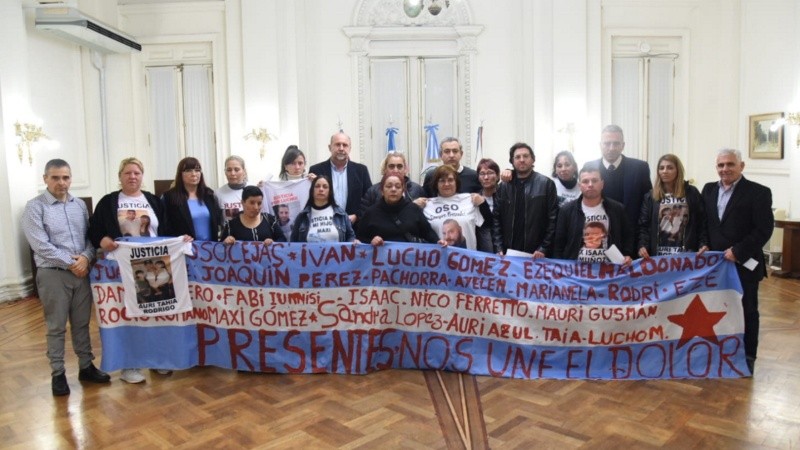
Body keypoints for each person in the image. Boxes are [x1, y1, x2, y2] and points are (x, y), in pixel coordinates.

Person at [23, 159, 110, 396]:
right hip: (54, 274)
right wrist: (73, 263)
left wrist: (85, 257)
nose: (61, 182)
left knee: (82, 323)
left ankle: (86, 366)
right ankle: (58, 373)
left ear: (71, 179)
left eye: (65, 177)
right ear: (45, 179)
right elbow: (41, 245)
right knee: (56, 326)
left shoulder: (79, 205)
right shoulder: (35, 207)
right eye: (55, 178)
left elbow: (89, 238)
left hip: (81, 272)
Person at [88, 157, 168, 384]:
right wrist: (102, 239)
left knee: (154, 314)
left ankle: (155, 359)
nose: (132, 177)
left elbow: (165, 228)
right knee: (128, 315)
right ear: (120, 176)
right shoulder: (109, 201)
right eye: (127, 173)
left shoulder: (152, 200)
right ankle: (130, 366)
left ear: (142, 176)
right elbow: (94, 230)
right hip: (120, 267)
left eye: (137, 173)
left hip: (152, 264)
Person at [701, 148, 773, 374]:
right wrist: (704, 243)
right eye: (721, 165)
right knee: (715, 309)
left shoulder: (759, 192)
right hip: (715, 267)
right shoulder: (708, 190)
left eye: (730, 164)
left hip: (744, 265)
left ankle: (748, 355)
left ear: (741, 166)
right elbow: (705, 223)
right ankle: (719, 352)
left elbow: (764, 230)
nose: (725, 169)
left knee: (747, 310)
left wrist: (739, 251)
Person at [553, 162, 634, 265]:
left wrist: (627, 255)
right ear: (580, 186)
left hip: (610, 272)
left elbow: (628, 237)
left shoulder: (617, 209)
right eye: (585, 181)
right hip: (576, 274)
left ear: (602, 184)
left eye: (594, 181)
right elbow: (559, 245)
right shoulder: (566, 211)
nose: (590, 185)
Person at [492, 143, 558, 258]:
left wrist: (544, 248)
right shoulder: (503, 187)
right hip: (509, 253)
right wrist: (498, 248)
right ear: (512, 161)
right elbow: (496, 220)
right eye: (517, 157)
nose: (522, 160)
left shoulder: (546, 184)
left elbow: (553, 220)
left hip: (537, 254)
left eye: (526, 156)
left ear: (533, 159)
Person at [638, 154, 709, 258]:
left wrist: (703, 243)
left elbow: (702, 222)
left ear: (678, 171)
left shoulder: (691, 193)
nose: (665, 171)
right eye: (661, 168)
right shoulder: (651, 196)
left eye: (670, 168)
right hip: (658, 257)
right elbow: (643, 226)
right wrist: (642, 246)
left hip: (686, 255)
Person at [593, 125, 651, 241]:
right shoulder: (589, 167)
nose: (611, 148)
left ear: (623, 145)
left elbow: (648, 205)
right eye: (607, 143)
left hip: (631, 237)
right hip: (598, 236)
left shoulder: (640, 168)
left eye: (616, 143)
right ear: (600, 145)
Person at [358, 174, 443, 246]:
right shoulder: (371, 213)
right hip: (380, 264)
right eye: (389, 186)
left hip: (410, 262)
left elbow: (428, 233)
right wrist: (371, 242)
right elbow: (360, 239)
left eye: (398, 186)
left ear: (403, 190)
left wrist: (438, 242)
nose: (393, 189)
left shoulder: (414, 209)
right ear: (382, 190)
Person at [308, 132, 372, 225]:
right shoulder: (316, 170)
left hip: (355, 228)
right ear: (330, 147)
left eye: (345, 145)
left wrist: (357, 215)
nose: (341, 148)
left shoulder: (361, 170)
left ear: (350, 148)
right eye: (337, 144)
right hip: (325, 225)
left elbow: (369, 199)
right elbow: (310, 200)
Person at [423, 165, 489, 251]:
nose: (446, 184)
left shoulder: (470, 200)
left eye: (450, 180)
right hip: (440, 259)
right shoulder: (427, 205)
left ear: (456, 182)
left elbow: (489, 224)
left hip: (468, 260)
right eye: (442, 181)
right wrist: (413, 207)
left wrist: (483, 204)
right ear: (436, 184)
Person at [162, 157, 223, 241]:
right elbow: (165, 227)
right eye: (188, 170)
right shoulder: (169, 197)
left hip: (209, 248)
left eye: (197, 170)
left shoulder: (209, 194)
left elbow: (217, 222)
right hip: (184, 248)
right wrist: (178, 238)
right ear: (180, 174)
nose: (194, 174)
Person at [359, 152, 424, 219]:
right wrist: (412, 206)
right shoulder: (372, 191)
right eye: (391, 166)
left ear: (405, 169)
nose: (395, 170)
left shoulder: (417, 189)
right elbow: (364, 218)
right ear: (385, 169)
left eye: (399, 166)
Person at [291, 176, 357, 242]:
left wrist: (354, 242)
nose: (321, 189)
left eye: (325, 187)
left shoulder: (341, 214)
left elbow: (351, 236)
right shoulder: (302, 216)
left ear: (330, 191)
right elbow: (293, 243)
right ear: (312, 190)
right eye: (317, 186)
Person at [221, 185, 286, 245]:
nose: (256, 207)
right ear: (243, 202)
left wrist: (273, 242)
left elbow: (283, 240)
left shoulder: (270, 220)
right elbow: (219, 248)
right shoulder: (231, 225)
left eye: (259, 203)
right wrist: (226, 242)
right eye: (252, 203)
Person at [215, 155, 250, 224]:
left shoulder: (254, 189)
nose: (232, 173)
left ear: (244, 171)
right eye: (229, 170)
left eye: (236, 169)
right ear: (225, 172)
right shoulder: (218, 193)